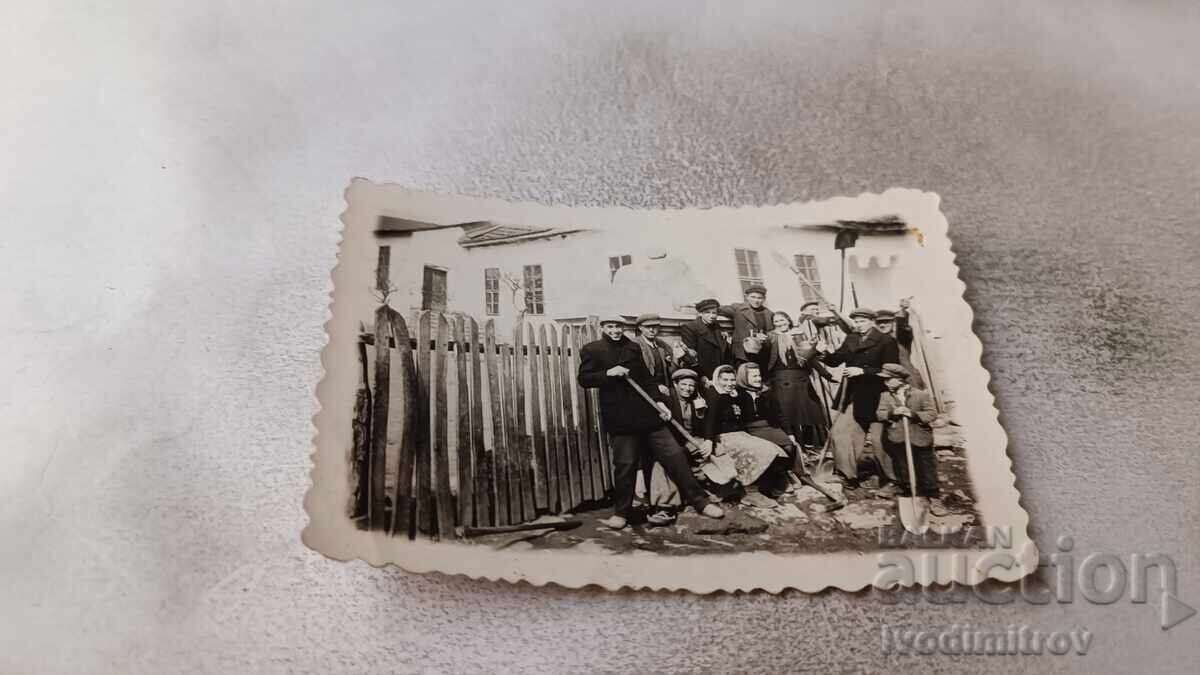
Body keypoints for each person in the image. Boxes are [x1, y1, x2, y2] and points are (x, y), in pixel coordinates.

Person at [578, 316, 725, 529]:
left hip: (647, 413)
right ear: (603, 328)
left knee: (675, 455)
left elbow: (647, 379)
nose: (615, 330)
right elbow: (584, 379)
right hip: (620, 418)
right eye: (610, 326)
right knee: (625, 464)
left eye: (618, 326)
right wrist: (608, 373)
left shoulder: (632, 347)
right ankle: (621, 513)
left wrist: (660, 403)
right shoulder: (592, 349)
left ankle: (701, 502)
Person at [819, 307, 900, 490]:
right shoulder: (852, 338)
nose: (858, 325)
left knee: (882, 440)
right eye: (856, 321)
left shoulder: (887, 341)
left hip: (879, 395)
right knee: (841, 433)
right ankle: (847, 476)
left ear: (872, 321)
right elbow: (835, 360)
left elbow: (892, 371)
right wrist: (823, 352)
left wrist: (863, 371)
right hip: (853, 395)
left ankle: (892, 480)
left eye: (862, 321)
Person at [701, 365, 790, 502]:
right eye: (725, 380)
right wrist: (708, 440)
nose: (729, 383)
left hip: (741, 434)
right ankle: (750, 490)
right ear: (717, 380)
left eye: (732, 380)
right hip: (724, 437)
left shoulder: (734, 394)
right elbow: (710, 420)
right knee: (762, 451)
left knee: (774, 448)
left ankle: (766, 486)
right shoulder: (714, 395)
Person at [765, 311, 832, 450]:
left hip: (801, 379)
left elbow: (809, 357)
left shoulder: (798, 334)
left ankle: (817, 446)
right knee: (788, 414)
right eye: (776, 321)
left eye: (782, 320)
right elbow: (763, 354)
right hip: (781, 380)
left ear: (788, 320)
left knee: (811, 411)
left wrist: (827, 375)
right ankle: (797, 447)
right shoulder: (770, 337)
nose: (780, 323)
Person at [875, 364, 940, 502]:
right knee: (903, 467)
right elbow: (879, 414)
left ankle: (934, 496)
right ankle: (910, 492)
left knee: (927, 468)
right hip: (898, 438)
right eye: (884, 380)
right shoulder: (885, 396)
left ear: (899, 380)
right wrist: (893, 412)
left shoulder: (920, 395)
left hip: (920, 438)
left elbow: (932, 414)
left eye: (888, 379)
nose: (885, 383)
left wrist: (913, 413)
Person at [678, 298, 731, 385]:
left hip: (718, 375)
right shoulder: (690, 328)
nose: (712, 316)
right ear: (700, 313)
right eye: (707, 312)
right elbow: (690, 358)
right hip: (702, 376)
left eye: (714, 313)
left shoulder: (717, 327)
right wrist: (701, 376)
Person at [720, 285, 774, 368]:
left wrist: (765, 338)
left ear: (764, 299)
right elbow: (719, 309)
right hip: (742, 353)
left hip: (761, 353)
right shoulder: (738, 308)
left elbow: (771, 333)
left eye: (759, 298)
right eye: (753, 297)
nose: (756, 300)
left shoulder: (769, 313)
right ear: (746, 297)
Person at [632, 313, 674, 396]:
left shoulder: (664, 345)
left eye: (654, 326)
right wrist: (656, 386)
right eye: (647, 327)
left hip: (665, 390)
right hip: (644, 390)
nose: (651, 330)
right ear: (640, 328)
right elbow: (635, 373)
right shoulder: (634, 345)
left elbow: (670, 371)